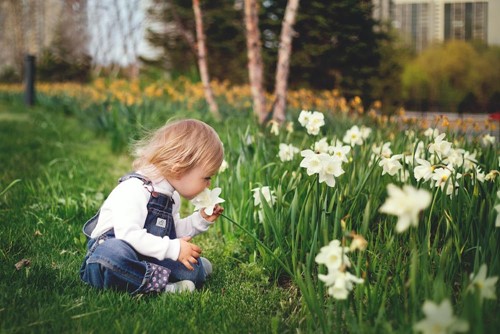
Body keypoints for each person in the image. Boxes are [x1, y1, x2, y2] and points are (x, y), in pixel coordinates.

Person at [79, 119, 224, 294]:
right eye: (206, 177)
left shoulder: (171, 196)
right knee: (112, 257)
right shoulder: (135, 189)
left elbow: (172, 232)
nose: (208, 184)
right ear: (179, 169)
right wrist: (173, 249)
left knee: (192, 269)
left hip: (145, 254)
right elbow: (128, 235)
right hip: (114, 252)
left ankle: (190, 271)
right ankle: (163, 288)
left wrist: (200, 219)